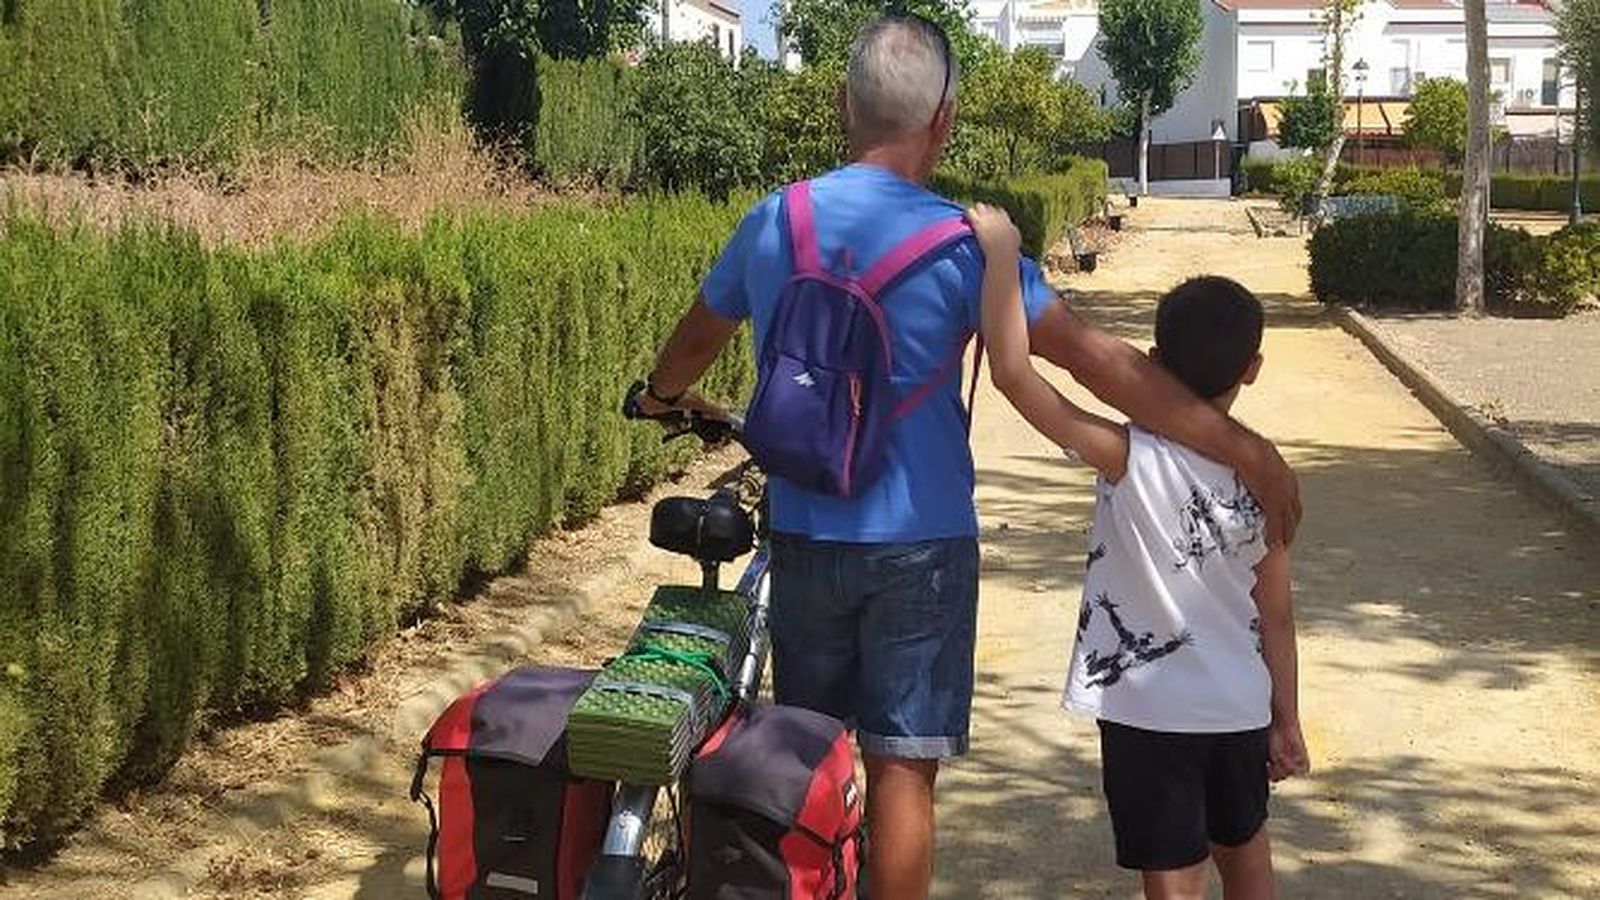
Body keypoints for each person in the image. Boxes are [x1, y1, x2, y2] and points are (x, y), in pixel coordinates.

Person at [634, 16, 1302, 899]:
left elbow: (690, 346)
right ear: (944, 119)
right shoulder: (964, 244)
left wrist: (661, 395)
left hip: (804, 529)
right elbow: (1101, 364)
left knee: (807, 751)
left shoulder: (775, 221)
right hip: (925, 545)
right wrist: (1246, 450)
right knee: (903, 772)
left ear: (843, 106)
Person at [968, 202, 1310, 900]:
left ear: (1152, 363)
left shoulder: (1125, 456)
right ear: (1253, 368)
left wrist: (1002, 257)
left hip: (1146, 713)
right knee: (1247, 860)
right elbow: (1275, 616)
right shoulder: (1264, 486)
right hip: (1238, 707)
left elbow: (1013, 376)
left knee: (1172, 879)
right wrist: (1287, 718)